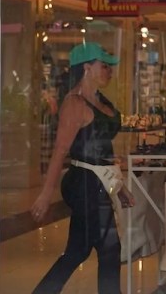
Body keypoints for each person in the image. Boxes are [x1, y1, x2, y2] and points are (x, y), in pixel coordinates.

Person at [31, 42, 134, 294]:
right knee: (110, 249)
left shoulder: (100, 101)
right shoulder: (74, 104)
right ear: (87, 68)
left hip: (97, 182)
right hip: (85, 184)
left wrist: (118, 187)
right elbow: (60, 151)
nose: (109, 71)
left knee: (78, 251)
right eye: (104, 66)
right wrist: (45, 195)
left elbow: (103, 153)